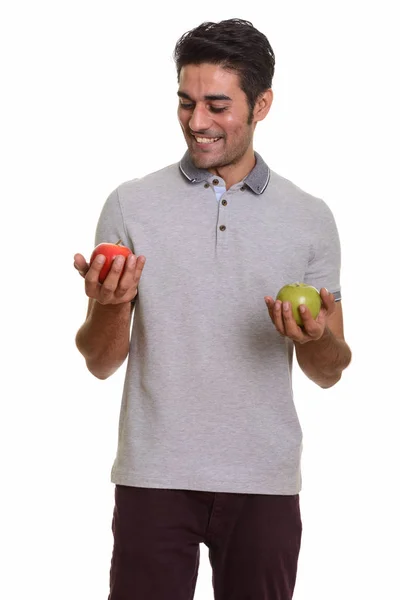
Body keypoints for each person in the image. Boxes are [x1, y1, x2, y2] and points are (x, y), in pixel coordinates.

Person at [74, 18, 352, 600]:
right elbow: (100, 362)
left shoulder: (310, 218)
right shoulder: (130, 204)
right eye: (186, 102)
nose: (196, 122)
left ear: (262, 104)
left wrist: (314, 337)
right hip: (154, 473)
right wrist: (108, 306)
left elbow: (330, 370)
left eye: (217, 105)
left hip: (265, 479)